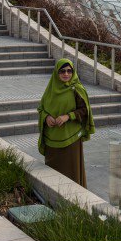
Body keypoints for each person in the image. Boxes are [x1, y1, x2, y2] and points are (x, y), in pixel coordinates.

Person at [37, 58, 94, 187]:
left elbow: (85, 110)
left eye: (69, 71)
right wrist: (46, 117)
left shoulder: (77, 89)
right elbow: (41, 108)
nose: (66, 74)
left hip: (71, 139)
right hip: (52, 139)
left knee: (71, 174)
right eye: (62, 71)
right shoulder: (50, 89)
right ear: (57, 73)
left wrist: (68, 116)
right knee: (53, 174)